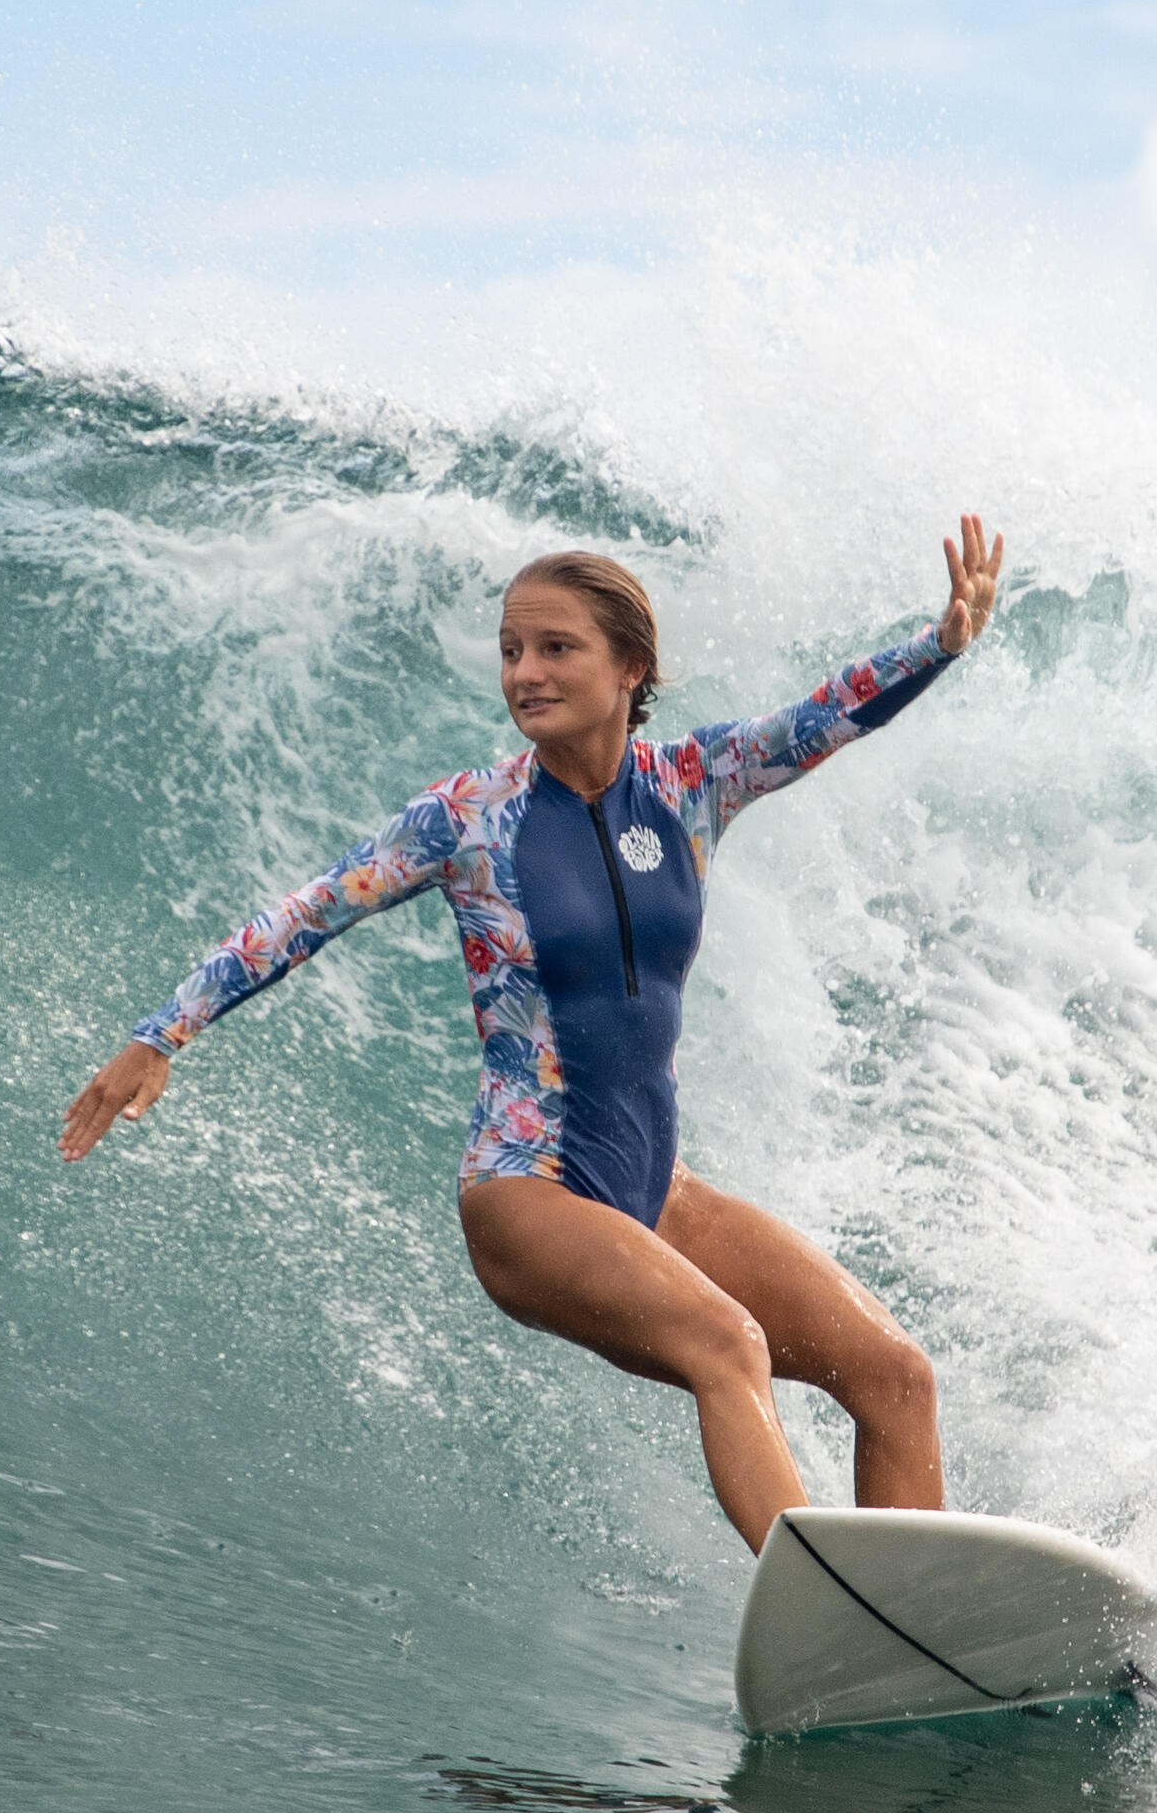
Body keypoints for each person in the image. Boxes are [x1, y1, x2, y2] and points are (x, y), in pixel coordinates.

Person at [61, 520, 1008, 1550]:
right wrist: (162, 1033)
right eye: (512, 648)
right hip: (530, 1188)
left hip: (656, 1191)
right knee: (725, 1341)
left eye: (556, 647)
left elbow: (824, 716)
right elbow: (303, 915)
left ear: (628, 665)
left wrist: (942, 642)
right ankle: (835, 1606)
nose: (524, 671)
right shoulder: (467, 820)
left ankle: (918, 1629)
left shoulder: (693, 781)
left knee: (896, 1376)